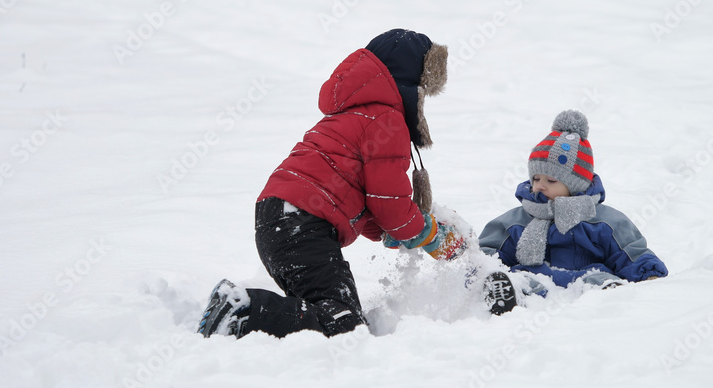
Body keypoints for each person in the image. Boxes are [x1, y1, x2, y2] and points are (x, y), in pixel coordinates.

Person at [197, 29, 467, 338]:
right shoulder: (386, 120)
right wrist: (427, 232)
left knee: (334, 312)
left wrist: (389, 233)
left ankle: (247, 313)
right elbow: (389, 205)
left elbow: (364, 199)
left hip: (279, 219)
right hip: (302, 225)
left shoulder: (351, 113)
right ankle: (242, 309)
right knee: (344, 325)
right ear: (411, 85)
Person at [478, 110, 668, 314]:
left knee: (600, 280)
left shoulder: (602, 220)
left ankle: (611, 299)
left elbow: (630, 250)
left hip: (587, 280)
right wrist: (484, 267)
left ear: (575, 185)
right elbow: (490, 251)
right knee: (522, 279)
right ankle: (508, 298)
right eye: (535, 179)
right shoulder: (519, 219)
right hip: (538, 278)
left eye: (551, 181)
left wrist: (648, 273)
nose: (540, 186)